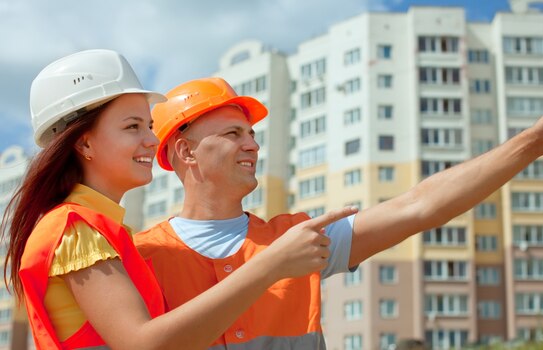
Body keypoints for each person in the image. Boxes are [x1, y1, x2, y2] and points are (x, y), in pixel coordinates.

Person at [135, 77, 543, 349]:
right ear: (185, 152)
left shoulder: (300, 239)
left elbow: (420, 206)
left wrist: (529, 145)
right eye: (234, 134)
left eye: (252, 134)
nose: (253, 144)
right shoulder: (140, 257)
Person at [0, 50, 355, 350]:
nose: (152, 142)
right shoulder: (76, 228)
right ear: (85, 143)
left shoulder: (97, 228)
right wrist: (271, 265)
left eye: (148, 127)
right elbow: (144, 344)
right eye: (132, 127)